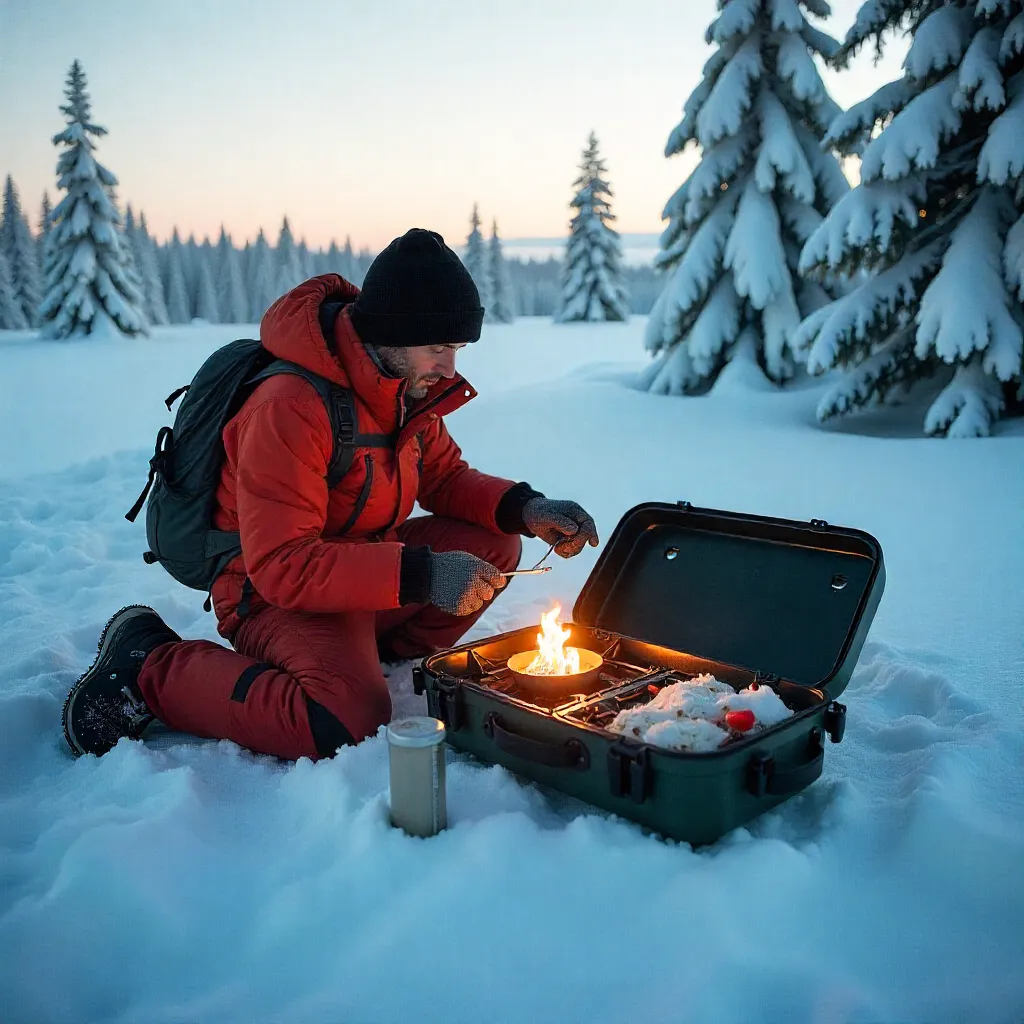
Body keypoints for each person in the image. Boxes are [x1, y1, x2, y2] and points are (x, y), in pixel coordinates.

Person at [62, 228, 599, 761]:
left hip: (357, 575)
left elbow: (444, 478)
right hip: (267, 591)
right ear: (392, 333)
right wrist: (423, 575)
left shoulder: (402, 389)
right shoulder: (290, 406)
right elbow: (281, 565)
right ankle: (153, 667)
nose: (449, 368)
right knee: (347, 718)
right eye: (438, 347)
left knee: (496, 544)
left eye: (455, 348)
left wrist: (527, 508)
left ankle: (377, 656)